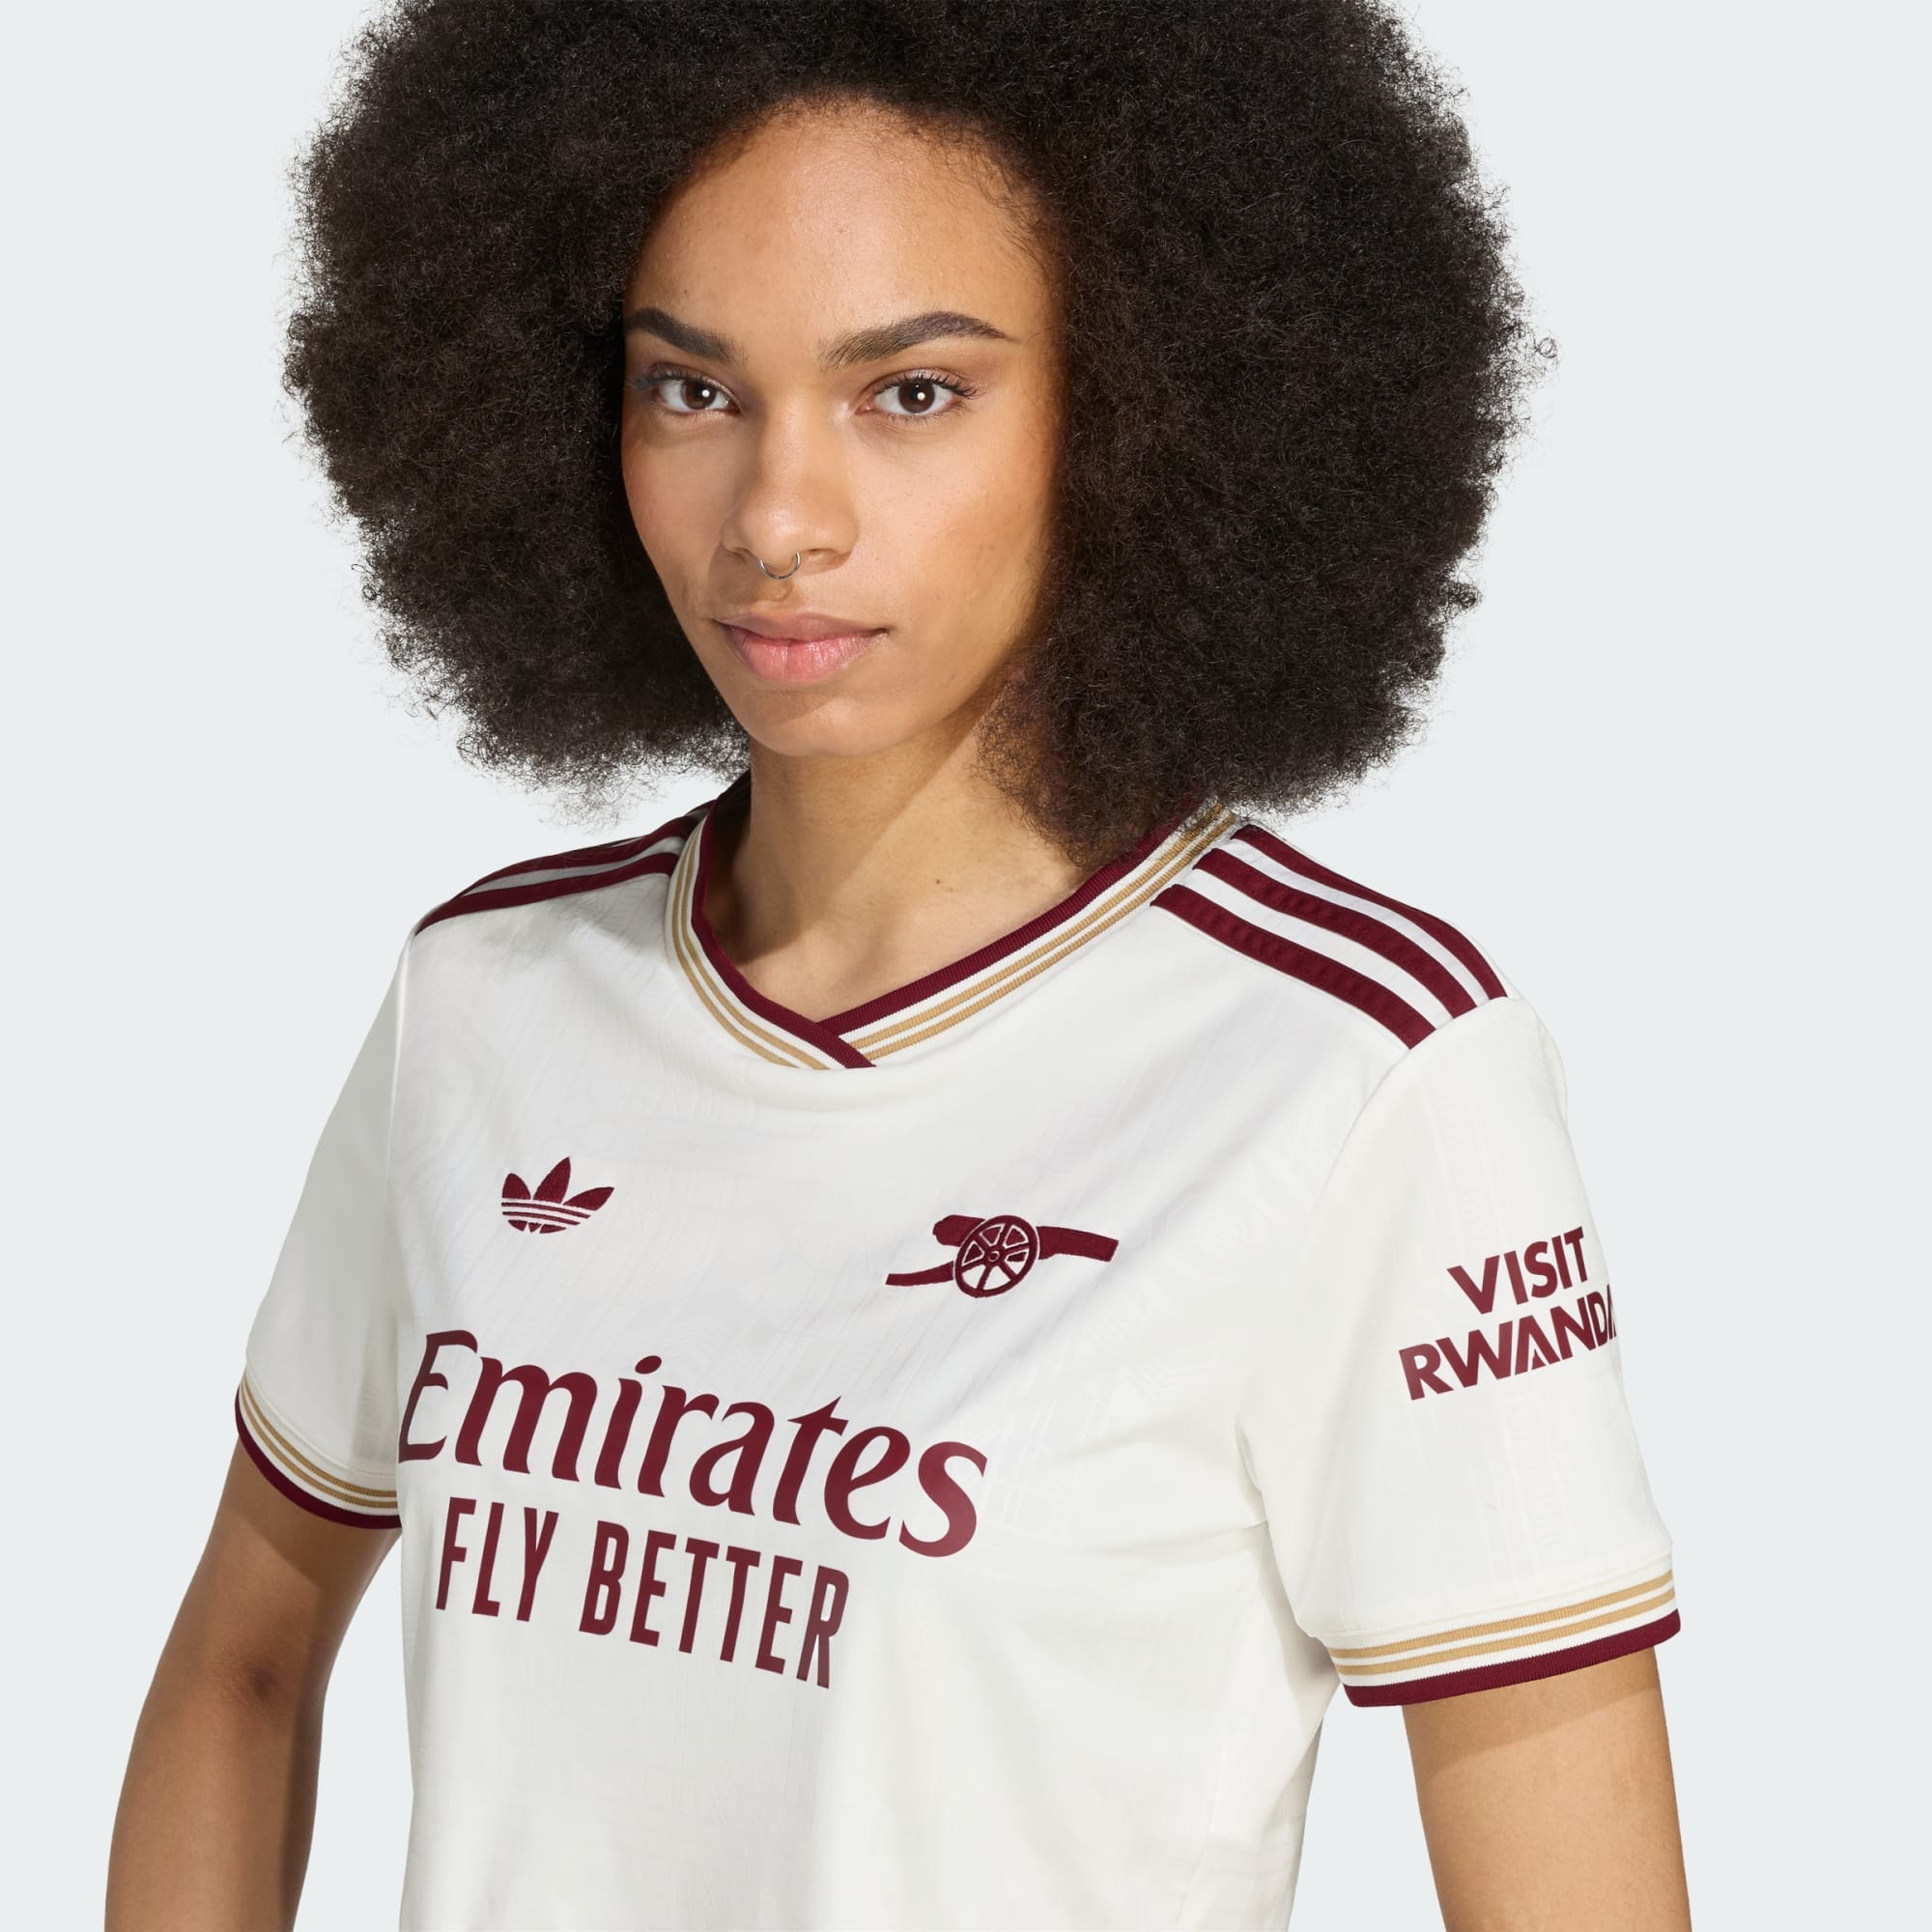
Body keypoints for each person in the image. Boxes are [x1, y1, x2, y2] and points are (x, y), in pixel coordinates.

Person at [106, 1, 1690, 1925]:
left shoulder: (1356, 1069)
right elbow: (246, 1659)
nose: (778, 518)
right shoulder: (485, 999)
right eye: (691, 388)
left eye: (913, 392)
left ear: (1138, 410)